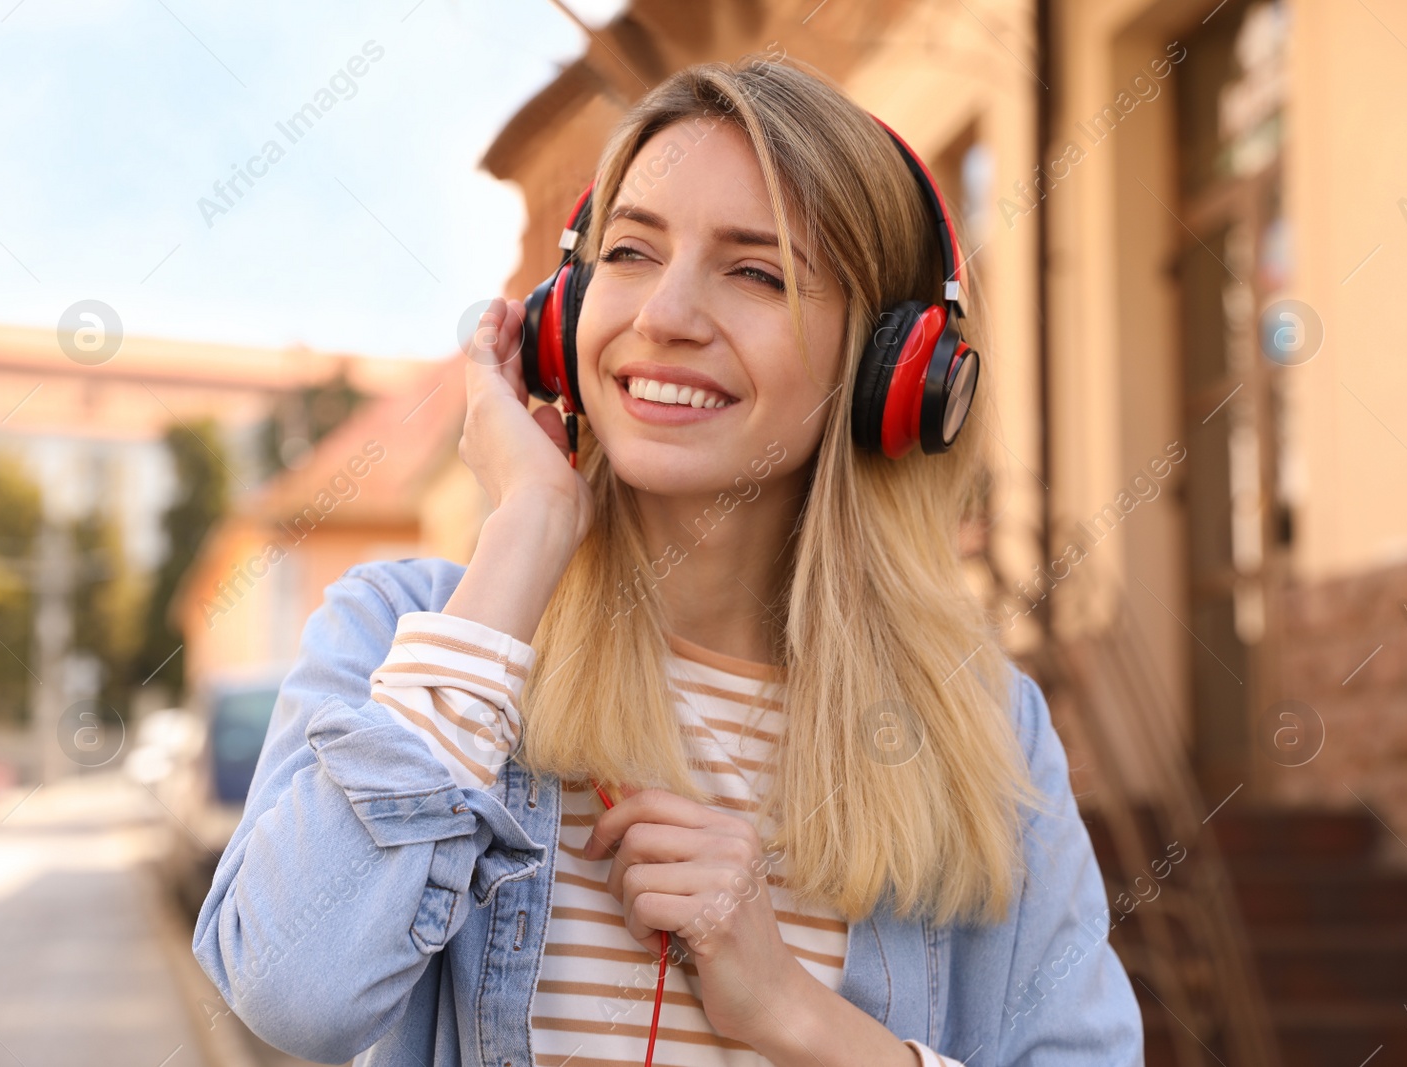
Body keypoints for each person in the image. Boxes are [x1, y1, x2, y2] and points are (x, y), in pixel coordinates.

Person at [192, 54, 1143, 1067]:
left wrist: (794, 1012)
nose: (663, 316)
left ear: (890, 369)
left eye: (756, 270)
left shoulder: (981, 725)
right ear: (562, 314)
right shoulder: (414, 638)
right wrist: (524, 528)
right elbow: (290, 991)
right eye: (633, 253)